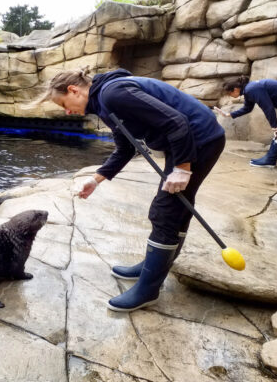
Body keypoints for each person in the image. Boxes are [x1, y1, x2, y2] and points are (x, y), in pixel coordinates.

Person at [37, 67, 225, 312]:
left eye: (64, 103)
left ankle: (148, 289)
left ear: (73, 89)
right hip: (194, 140)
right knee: (174, 208)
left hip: (200, 139)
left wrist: (182, 168)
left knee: (166, 209)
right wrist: (95, 180)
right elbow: (126, 147)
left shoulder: (112, 94)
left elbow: (176, 122)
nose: (67, 111)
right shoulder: (105, 101)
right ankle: (152, 266)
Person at [217, 76, 277, 168]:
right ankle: (269, 159)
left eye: (229, 94)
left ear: (236, 89)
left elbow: (268, 107)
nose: (230, 97)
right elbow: (247, 108)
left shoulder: (252, 89)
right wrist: (229, 114)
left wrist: (274, 125)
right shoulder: (249, 89)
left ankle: (270, 160)